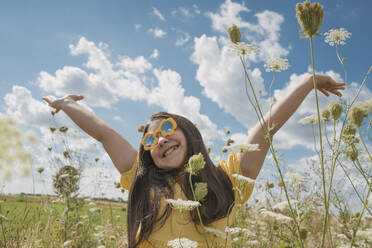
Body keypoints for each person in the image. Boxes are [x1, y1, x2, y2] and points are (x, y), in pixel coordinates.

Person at [43, 74, 344, 247]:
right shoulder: (142, 176)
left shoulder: (229, 180)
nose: (159, 140)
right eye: (150, 140)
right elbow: (105, 134)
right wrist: (65, 104)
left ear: (190, 133)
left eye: (168, 129)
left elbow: (266, 129)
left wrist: (308, 83)